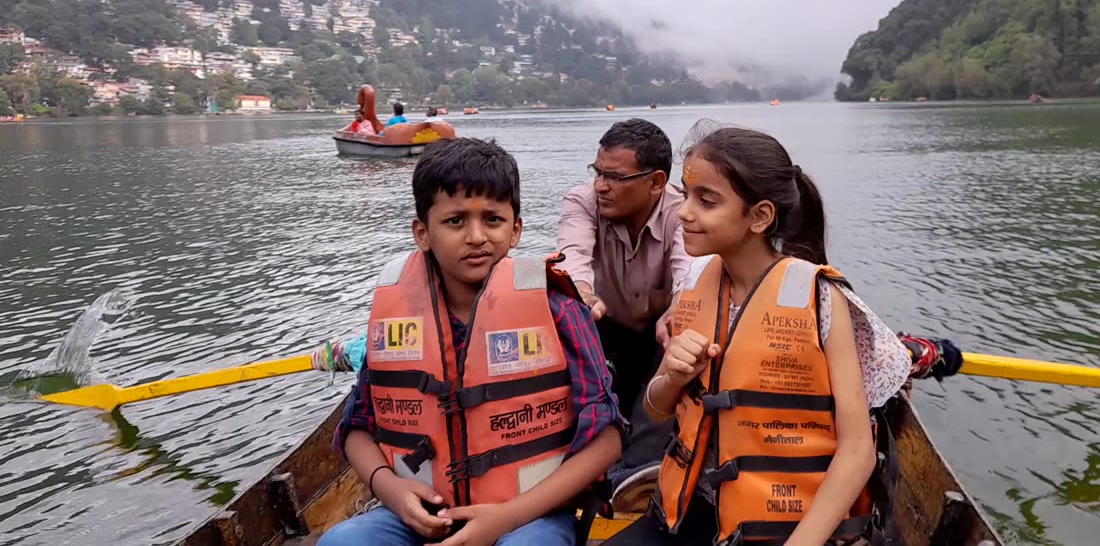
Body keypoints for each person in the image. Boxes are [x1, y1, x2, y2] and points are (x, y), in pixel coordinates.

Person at [605, 123, 913, 546]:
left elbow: (858, 451)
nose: (683, 211)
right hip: (693, 511)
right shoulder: (695, 283)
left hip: (789, 526)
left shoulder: (822, 300)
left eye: (706, 201)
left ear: (760, 216)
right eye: (686, 193)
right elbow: (657, 410)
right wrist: (673, 376)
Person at [320, 138, 623, 546]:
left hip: (528, 515)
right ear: (422, 233)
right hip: (420, 512)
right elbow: (357, 427)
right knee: (342, 542)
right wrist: (389, 489)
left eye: (493, 220)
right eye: (455, 221)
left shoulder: (560, 313)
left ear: (515, 229)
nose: (477, 236)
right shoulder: (398, 320)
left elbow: (608, 438)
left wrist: (506, 518)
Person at [556, 119, 691, 499]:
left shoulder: (682, 212)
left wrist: (678, 309)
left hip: (662, 329)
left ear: (656, 182)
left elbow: (688, 270)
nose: (601, 185)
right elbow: (572, 255)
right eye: (598, 172)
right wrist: (580, 290)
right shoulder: (583, 201)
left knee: (682, 340)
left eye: (614, 177)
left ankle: (636, 470)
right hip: (605, 322)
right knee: (569, 322)